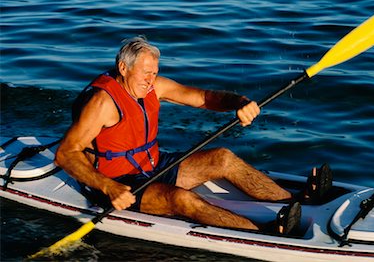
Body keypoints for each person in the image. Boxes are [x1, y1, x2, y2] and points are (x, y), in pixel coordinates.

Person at [55, 36, 304, 234]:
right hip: (117, 182)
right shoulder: (103, 103)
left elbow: (203, 97)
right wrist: (109, 187)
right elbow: (66, 153)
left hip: (152, 165)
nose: (150, 79)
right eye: (145, 73)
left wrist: (239, 102)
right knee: (180, 199)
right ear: (123, 67)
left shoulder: (155, 86)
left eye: (154, 72)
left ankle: (294, 201)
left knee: (223, 158)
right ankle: (266, 232)